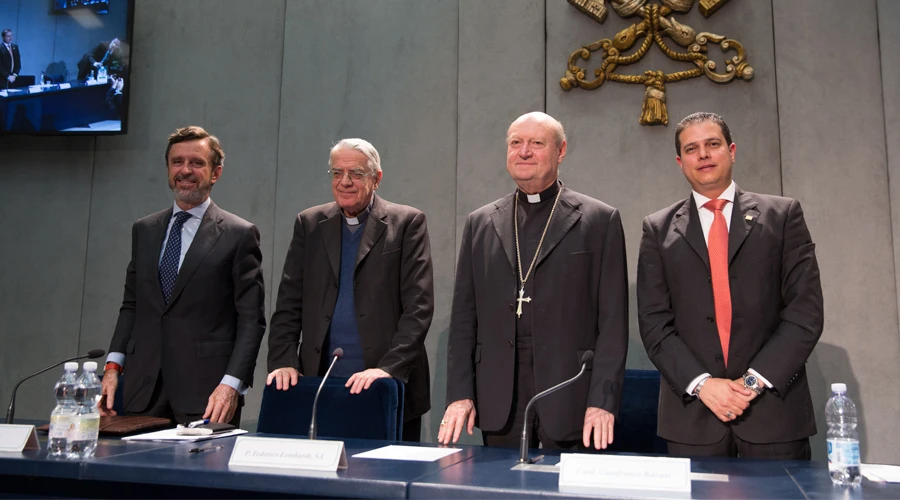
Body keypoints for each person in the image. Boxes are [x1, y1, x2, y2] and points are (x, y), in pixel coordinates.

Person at [637, 111, 823, 459]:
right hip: (693, 418)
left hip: (774, 416)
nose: (703, 155)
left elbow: (805, 313)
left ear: (732, 150)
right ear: (680, 162)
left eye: (713, 144)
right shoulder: (657, 229)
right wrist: (703, 385)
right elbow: (654, 323)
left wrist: (751, 384)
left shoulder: (782, 217)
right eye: (692, 149)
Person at [440, 112, 628, 450]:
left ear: (561, 150)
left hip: (571, 393)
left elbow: (613, 324)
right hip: (499, 397)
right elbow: (463, 321)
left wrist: (603, 399)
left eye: (536, 143)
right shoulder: (480, 223)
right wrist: (460, 394)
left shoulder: (599, 220)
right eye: (516, 143)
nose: (524, 151)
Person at [266, 138, 434, 442]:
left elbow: (419, 308)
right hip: (320, 383)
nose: (345, 182)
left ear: (377, 179)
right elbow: (289, 302)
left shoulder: (407, 223)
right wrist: (283, 361)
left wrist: (388, 369)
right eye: (337, 173)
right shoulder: (309, 223)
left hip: (385, 385)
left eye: (356, 173)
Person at [99, 126, 266, 426]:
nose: (185, 170)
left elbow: (251, 320)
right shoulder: (145, 229)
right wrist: (113, 366)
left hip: (208, 395)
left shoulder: (239, 234)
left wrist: (231, 385)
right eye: (177, 162)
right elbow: (132, 305)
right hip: (142, 391)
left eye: (196, 163)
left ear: (215, 173)